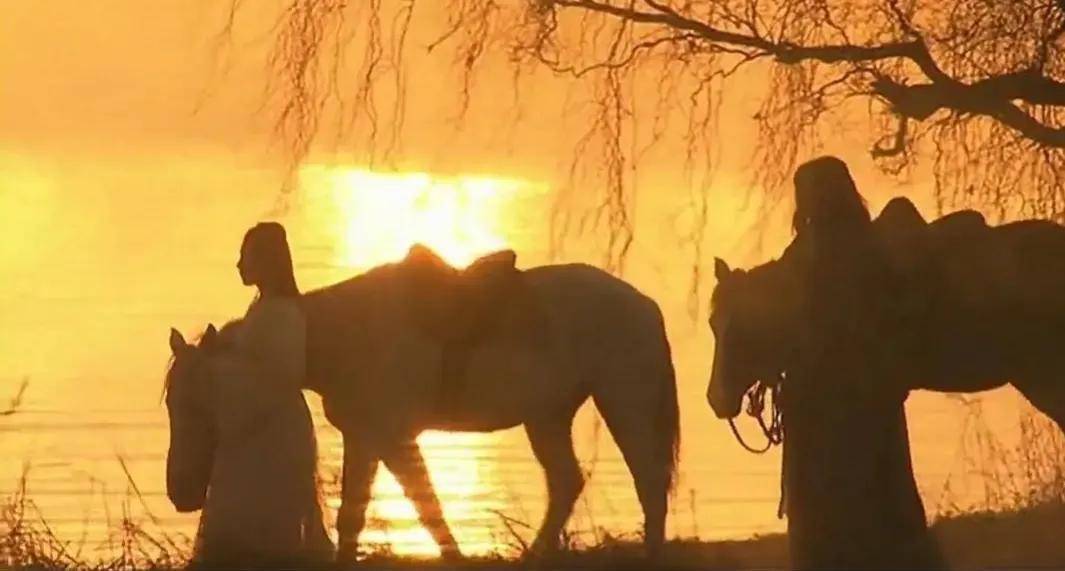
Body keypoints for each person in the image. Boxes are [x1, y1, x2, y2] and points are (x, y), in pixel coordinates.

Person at [781, 157, 943, 570]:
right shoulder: (834, 247)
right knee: (872, 489)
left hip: (849, 397)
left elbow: (834, 320)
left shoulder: (839, 252)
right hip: (855, 395)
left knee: (849, 491)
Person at [191, 222, 333, 568]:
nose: (239, 264)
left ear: (266, 261)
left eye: (246, 256)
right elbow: (251, 352)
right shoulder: (265, 308)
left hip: (273, 434)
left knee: (264, 521)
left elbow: (277, 376)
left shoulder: (282, 313)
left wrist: (219, 367)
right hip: (261, 428)